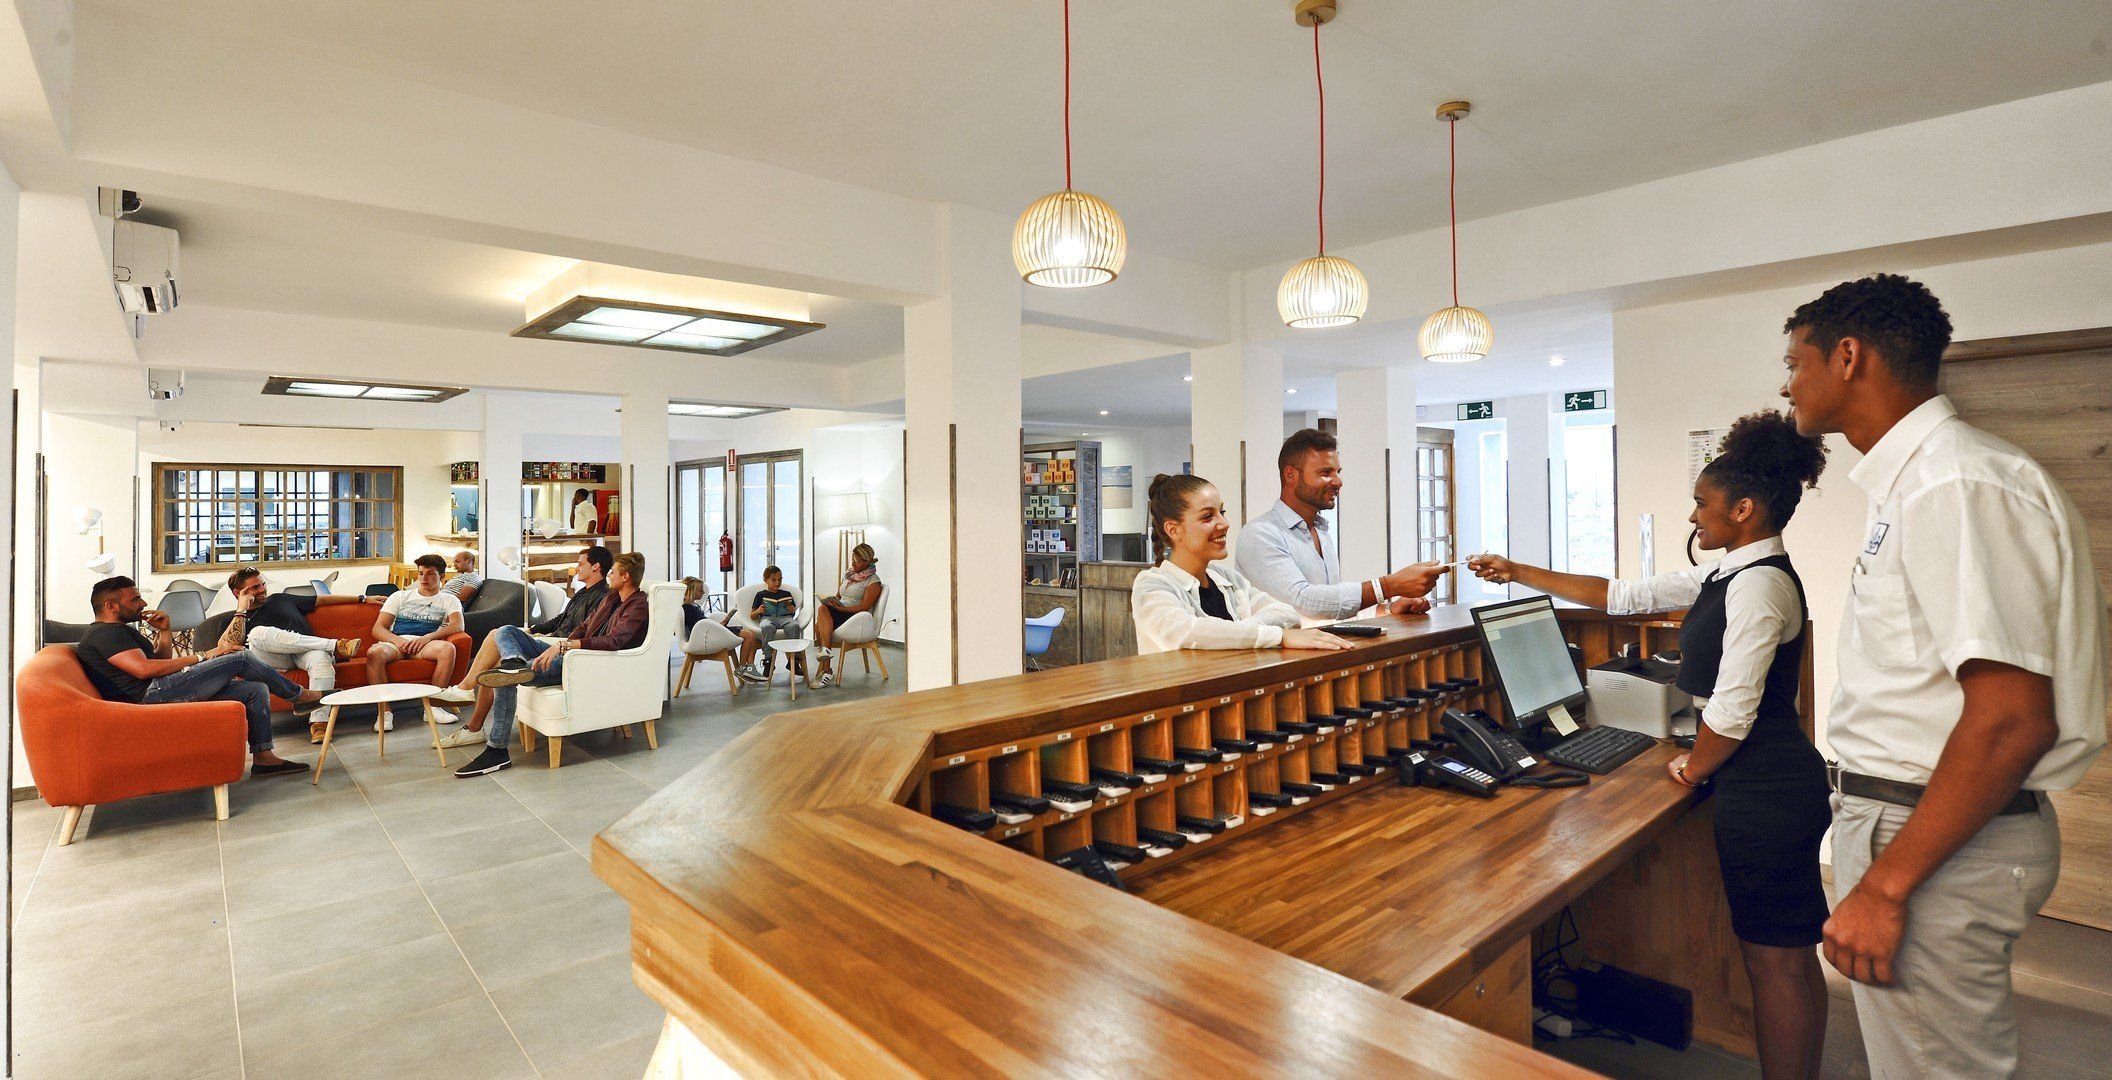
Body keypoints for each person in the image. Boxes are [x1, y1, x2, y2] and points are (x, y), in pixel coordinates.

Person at [1778, 274, 2106, 1078]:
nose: (1788, 385)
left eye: (1795, 363)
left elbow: (2011, 718)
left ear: (1847, 357)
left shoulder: (1955, 482)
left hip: (1928, 838)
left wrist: (1885, 888)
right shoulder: (1918, 481)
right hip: (1917, 825)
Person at [1470, 411, 1832, 1079]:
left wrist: (1693, 769)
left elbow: (1734, 709)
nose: (1693, 515)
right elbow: (1624, 595)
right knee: (1789, 956)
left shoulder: (1758, 585)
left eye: (1701, 502)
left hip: (1768, 790)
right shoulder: (1732, 573)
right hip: (1771, 782)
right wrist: (1517, 570)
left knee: (1774, 963)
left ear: (1743, 510)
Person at [76, 575, 319, 777]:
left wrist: (165, 632)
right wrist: (205, 655)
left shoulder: (117, 631)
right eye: (135, 599)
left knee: (254, 690)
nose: (143, 603)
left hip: (158, 688)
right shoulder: (105, 634)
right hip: (147, 696)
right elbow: (144, 670)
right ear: (111, 606)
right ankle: (300, 697)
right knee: (241, 658)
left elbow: (160, 662)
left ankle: (264, 757)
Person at [453, 551, 652, 777]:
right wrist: (559, 645)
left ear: (625, 576)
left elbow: (614, 641)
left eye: (613, 572)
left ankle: (497, 751)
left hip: (583, 663)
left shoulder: (637, 606)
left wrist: (565, 647)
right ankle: (512, 661)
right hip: (567, 652)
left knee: (504, 677)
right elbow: (583, 627)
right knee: (506, 631)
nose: (610, 576)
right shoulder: (612, 598)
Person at [1237, 428, 1450, 621]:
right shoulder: (1260, 534)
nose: (1338, 481)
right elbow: (1302, 603)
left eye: (1338, 472)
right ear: (1291, 475)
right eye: (1325, 473)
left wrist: (1387, 609)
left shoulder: (1321, 531)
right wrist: (1388, 586)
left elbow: (1329, 611)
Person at [1131, 473, 1354, 655]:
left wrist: (1239, 632)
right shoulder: (1152, 585)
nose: (1224, 523)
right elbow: (1190, 632)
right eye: (1207, 517)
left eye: (1222, 512)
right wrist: (1277, 636)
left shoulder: (1227, 579)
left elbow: (1287, 614)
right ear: (1173, 530)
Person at [429, 546, 612, 748]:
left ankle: (470, 710)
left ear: (595, 567)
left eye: (580, 564)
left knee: (498, 646)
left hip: (560, 649)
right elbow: (561, 619)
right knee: (496, 640)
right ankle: (472, 716)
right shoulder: (582, 592)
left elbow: (585, 632)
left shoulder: (603, 597)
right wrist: (533, 629)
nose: (576, 568)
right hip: (551, 641)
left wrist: (556, 643)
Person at [218, 566, 377, 742]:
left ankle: (319, 724)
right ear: (237, 593)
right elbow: (227, 647)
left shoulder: (279, 599)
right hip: (274, 661)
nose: (262, 590)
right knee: (256, 633)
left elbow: (320, 600)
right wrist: (241, 610)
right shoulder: (233, 621)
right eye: (255, 587)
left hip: (305, 653)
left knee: (321, 658)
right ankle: (336, 645)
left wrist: (362, 598)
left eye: (263, 584)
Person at [365, 554, 463, 731]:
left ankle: (433, 707)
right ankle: (384, 712)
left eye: (430, 574)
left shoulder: (449, 599)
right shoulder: (400, 596)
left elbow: (458, 626)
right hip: (397, 643)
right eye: (421, 573)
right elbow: (378, 629)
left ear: (442, 576)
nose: (424, 578)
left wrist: (427, 637)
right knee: (374, 653)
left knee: (448, 649)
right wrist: (398, 641)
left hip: (425, 645)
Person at [810, 544, 882, 687]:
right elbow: (839, 595)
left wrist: (841, 609)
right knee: (822, 614)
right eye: (853, 560)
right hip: (840, 611)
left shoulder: (873, 581)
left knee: (820, 621)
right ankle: (826, 666)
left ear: (867, 562)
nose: (853, 564)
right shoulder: (849, 575)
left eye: (857, 561)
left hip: (855, 617)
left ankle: (826, 669)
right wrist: (832, 601)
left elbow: (864, 607)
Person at [736, 565, 800, 682]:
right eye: (773, 580)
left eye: (780, 579)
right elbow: (752, 615)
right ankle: (768, 660)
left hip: (785, 618)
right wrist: (758, 611)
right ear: (765, 580)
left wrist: (792, 610)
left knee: (794, 625)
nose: (777, 583)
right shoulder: (761, 595)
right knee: (766, 627)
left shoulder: (786, 594)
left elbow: (793, 612)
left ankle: (793, 659)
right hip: (768, 618)